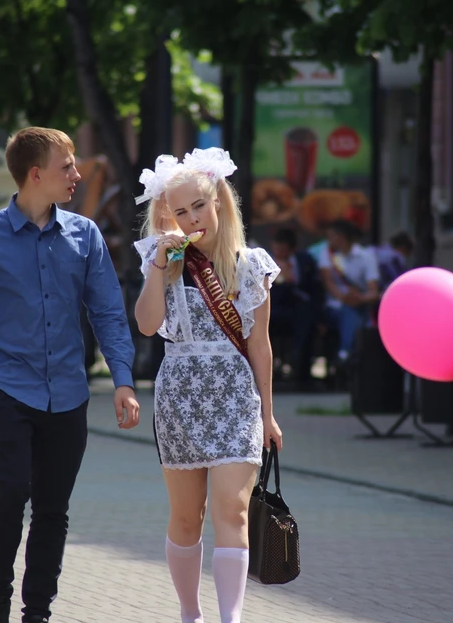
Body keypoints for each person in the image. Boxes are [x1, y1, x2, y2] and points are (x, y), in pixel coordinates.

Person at [0, 127, 140, 623]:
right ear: (36, 174)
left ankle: (37, 613)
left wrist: (123, 380)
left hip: (68, 392)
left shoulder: (85, 235)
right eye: (67, 165)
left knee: (53, 508)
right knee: (9, 488)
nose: (76, 174)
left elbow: (109, 312)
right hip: (3, 385)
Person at [133, 148, 283, 623]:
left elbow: (260, 346)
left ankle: (230, 618)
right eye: (180, 211)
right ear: (169, 216)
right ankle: (189, 613)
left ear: (218, 200)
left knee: (233, 513)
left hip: (237, 397)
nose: (192, 217)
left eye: (199, 205)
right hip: (180, 397)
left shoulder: (251, 265)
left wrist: (268, 414)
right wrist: (159, 262)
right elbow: (147, 325)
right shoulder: (167, 264)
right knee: (185, 518)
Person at [318, 219, 380, 363]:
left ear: (341, 237)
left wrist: (360, 299)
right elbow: (329, 282)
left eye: (331, 237)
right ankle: (348, 353)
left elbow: (373, 289)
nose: (329, 241)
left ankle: (346, 354)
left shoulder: (366, 257)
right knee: (350, 311)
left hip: (359, 304)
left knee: (352, 312)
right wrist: (345, 298)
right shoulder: (327, 254)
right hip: (334, 306)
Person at [269, 227, 323, 388]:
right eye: (277, 249)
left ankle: (300, 371)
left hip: (300, 310)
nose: (280, 253)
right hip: (274, 309)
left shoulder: (305, 261)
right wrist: (283, 281)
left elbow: (314, 290)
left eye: (283, 250)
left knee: (306, 322)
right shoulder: (266, 262)